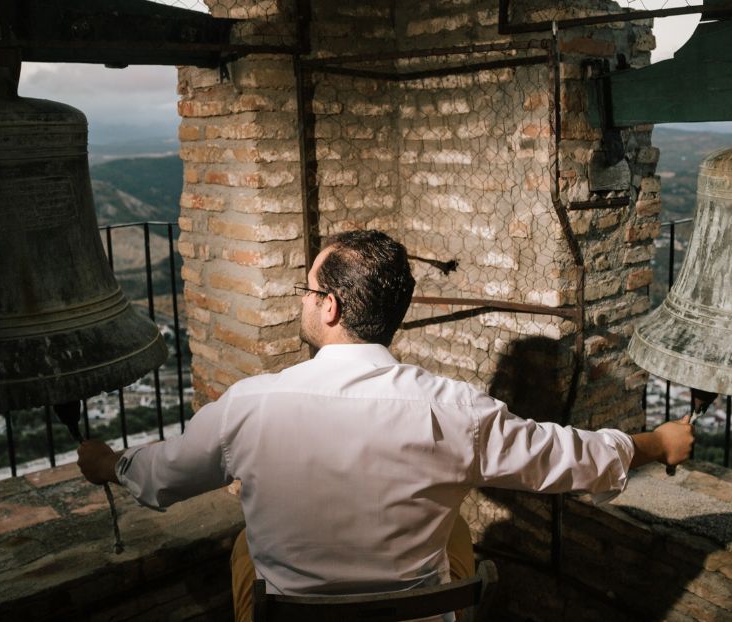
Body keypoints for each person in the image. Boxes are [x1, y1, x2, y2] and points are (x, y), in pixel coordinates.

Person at [78, 229, 693, 621]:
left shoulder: (249, 406)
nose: (302, 298)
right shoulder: (453, 410)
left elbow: (161, 478)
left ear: (330, 306)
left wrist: (109, 463)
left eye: (306, 288)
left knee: (246, 544)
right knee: (450, 531)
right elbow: (567, 456)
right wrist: (654, 442)